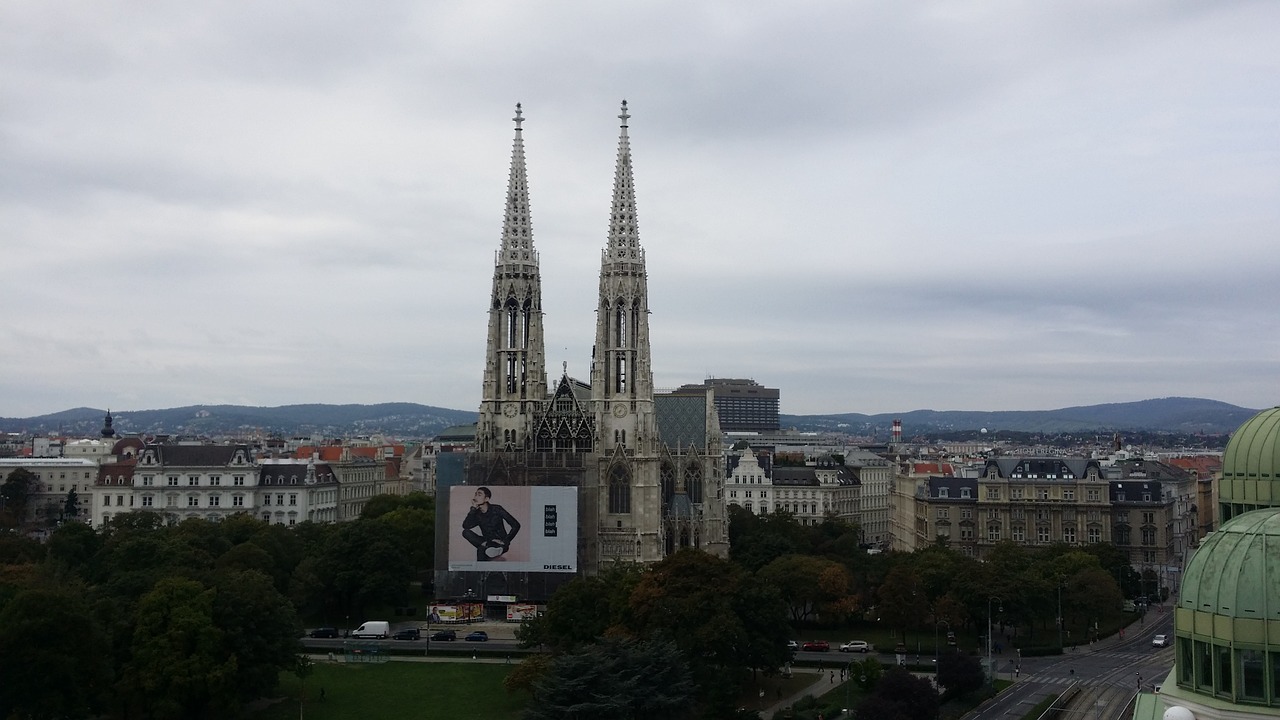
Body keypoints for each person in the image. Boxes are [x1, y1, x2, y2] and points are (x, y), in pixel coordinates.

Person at [461, 487, 521, 561]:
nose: (475, 497)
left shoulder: (497, 509)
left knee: (481, 550)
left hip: (500, 541)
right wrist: (473, 510)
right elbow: (466, 526)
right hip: (487, 541)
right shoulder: (477, 514)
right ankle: (488, 547)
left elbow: (516, 525)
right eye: (475, 494)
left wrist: (506, 540)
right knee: (466, 532)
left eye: (479, 495)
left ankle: (498, 549)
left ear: (486, 499)